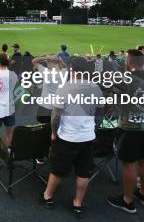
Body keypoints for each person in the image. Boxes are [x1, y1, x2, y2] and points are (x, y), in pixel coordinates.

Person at [41, 57, 104, 215]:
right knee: (83, 172)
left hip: (67, 138)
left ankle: (48, 196)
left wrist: (54, 133)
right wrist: (93, 127)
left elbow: (55, 116)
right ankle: (78, 203)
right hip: (87, 137)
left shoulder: (65, 88)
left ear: (72, 70)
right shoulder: (95, 87)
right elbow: (101, 111)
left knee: (58, 170)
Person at [106, 49, 144, 214]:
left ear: (129, 62)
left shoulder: (126, 79)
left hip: (130, 127)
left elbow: (110, 98)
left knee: (128, 164)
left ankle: (127, 200)